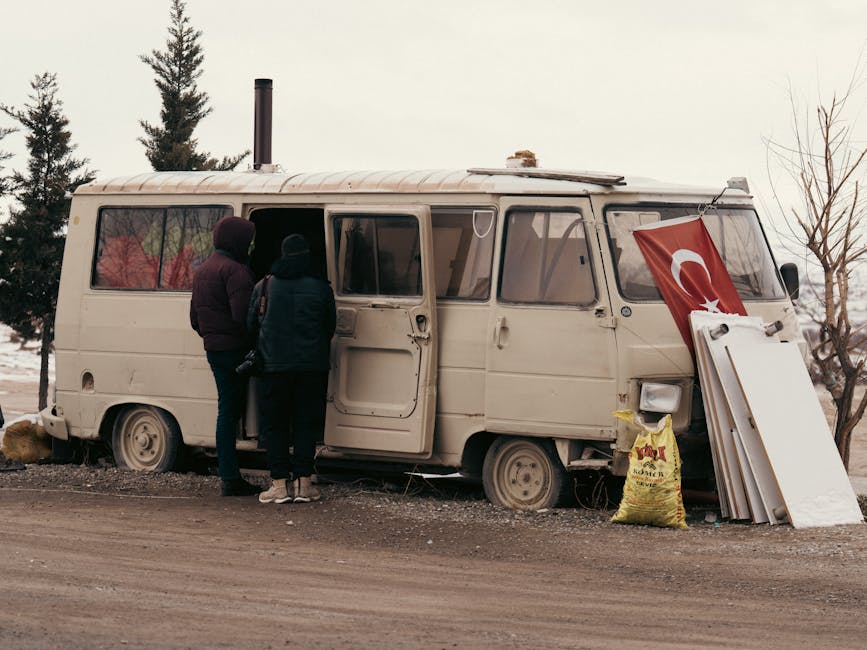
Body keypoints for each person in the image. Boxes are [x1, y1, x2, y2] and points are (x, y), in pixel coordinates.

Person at [249, 233, 335, 504]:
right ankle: (304, 484)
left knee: (275, 426)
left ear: (282, 254)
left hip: (274, 366)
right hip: (311, 367)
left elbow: (251, 323)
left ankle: (279, 486)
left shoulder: (265, 285)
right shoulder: (321, 288)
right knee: (305, 424)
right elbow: (329, 327)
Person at [190, 216, 261, 497]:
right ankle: (230, 477)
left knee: (226, 410)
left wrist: (212, 336)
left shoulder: (202, 270)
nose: (251, 245)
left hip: (214, 349)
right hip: (235, 350)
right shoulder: (236, 271)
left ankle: (229, 474)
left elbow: (195, 319)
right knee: (230, 412)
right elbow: (245, 318)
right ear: (238, 241)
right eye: (248, 240)